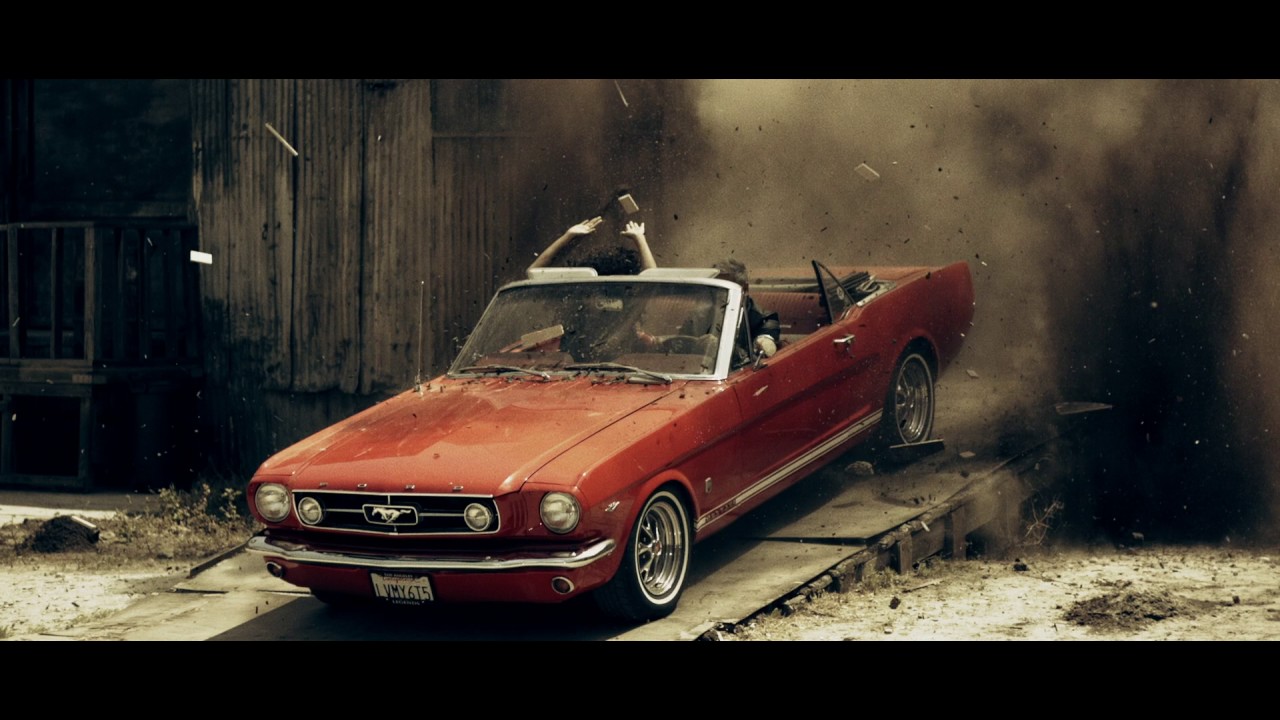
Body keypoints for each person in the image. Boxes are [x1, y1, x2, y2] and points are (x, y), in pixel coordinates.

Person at [528, 194, 657, 275]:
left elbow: (534, 272)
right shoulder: (631, 294)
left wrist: (568, 237)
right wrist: (640, 239)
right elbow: (652, 278)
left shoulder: (579, 292)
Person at [714, 258, 780, 358]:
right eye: (715, 289)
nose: (719, 295)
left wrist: (717, 345)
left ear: (745, 289)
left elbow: (760, 348)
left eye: (726, 290)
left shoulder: (764, 320)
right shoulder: (701, 315)